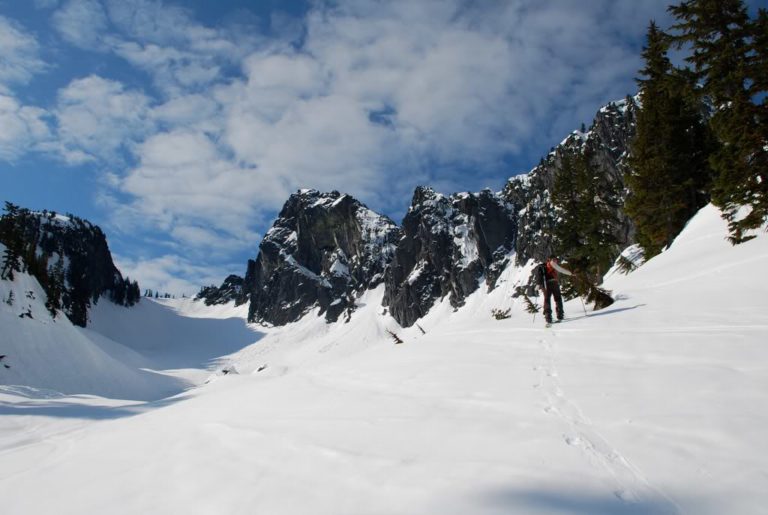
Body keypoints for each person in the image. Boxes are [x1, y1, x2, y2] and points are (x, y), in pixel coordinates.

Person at [538, 255, 573, 324]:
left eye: (556, 259)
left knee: (547, 299)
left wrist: (539, 285)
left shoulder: (544, 267)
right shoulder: (552, 263)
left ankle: (548, 317)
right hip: (554, 283)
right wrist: (571, 274)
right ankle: (560, 315)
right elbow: (561, 270)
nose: (555, 260)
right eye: (554, 259)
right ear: (550, 259)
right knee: (558, 298)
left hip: (546, 285)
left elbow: (540, 277)